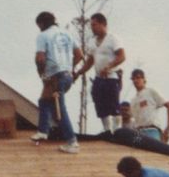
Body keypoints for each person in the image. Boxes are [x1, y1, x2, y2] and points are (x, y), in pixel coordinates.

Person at [30, 11, 83, 153]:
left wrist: (42, 75)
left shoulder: (43, 35)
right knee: (44, 101)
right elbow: (79, 55)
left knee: (59, 108)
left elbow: (40, 58)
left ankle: (72, 142)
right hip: (67, 76)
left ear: (41, 24)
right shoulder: (67, 34)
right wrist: (68, 67)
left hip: (54, 76)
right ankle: (43, 130)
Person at [73, 12, 126, 133]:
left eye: (95, 25)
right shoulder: (92, 41)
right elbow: (90, 60)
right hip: (99, 78)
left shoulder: (113, 39)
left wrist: (109, 66)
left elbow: (122, 56)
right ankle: (107, 129)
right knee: (99, 101)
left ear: (103, 24)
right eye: (91, 25)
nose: (92, 27)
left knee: (113, 104)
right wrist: (79, 72)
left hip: (112, 77)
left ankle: (117, 130)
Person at [128, 68, 169, 142]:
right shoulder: (133, 101)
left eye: (138, 78)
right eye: (133, 79)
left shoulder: (150, 92)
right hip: (138, 133)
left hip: (151, 131)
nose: (136, 80)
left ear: (144, 79)